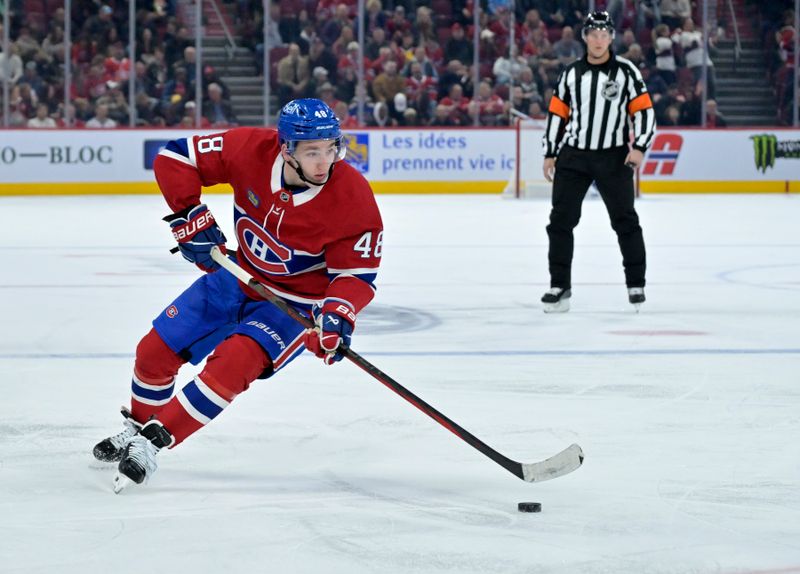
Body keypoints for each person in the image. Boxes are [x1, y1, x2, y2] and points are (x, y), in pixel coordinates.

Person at [93, 98, 384, 492]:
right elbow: (175, 156)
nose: (325, 161)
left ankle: (152, 443)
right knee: (153, 352)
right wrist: (187, 213)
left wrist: (337, 315)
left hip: (294, 306)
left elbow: (354, 275)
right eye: (313, 151)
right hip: (236, 276)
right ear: (286, 148)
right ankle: (138, 427)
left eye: (331, 148)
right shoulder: (250, 148)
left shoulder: (352, 196)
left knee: (233, 363)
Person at [541, 11, 656, 312]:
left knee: (625, 220)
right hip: (574, 156)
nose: (598, 40)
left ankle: (636, 284)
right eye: (593, 34)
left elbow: (643, 112)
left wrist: (640, 146)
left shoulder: (626, 72)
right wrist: (550, 151)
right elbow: (557, 114)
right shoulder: (570, 73)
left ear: (611, 38)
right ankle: (559, 286)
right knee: (560, 221)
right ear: (585, 38)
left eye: (604, 34)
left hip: (612, 156)